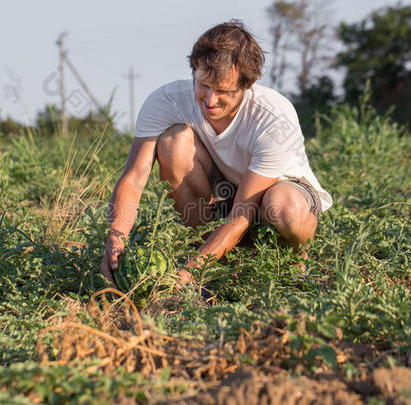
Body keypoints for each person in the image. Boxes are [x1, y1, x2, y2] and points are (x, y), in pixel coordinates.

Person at [100, 20, 332, 288]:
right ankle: (208, 250)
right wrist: (116, 236)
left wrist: (191, 271)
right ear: (195, 71)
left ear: (247, 86)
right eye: (204, 85)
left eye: (223, 91)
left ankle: (291, 256)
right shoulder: (165, 101)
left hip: (277, 194)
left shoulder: (273, 117)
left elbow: (242, 213)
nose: (210, 100)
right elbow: (134, 177)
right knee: (172, 143)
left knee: (283, 208)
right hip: (224, 192)